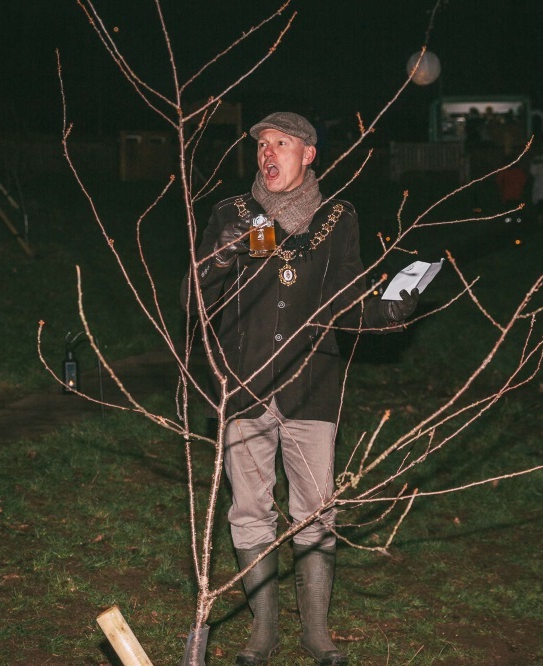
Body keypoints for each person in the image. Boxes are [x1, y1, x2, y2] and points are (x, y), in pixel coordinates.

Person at [181, 112, 418, 665]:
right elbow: (195, 300)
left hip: (312, 388)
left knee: (315, 509)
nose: (269, 153)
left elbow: (347, 300)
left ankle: (316, 631)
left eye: (282, 143)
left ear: (308, 154)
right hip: (243, 388)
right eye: (263, 144)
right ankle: (263, 630)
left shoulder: (335, 219)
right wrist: (219, 253)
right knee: (249, 511)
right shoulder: (237, 215)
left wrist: (390, 312)